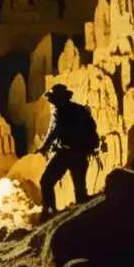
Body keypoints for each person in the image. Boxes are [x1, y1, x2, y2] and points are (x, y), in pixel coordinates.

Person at [37, 83, 98, 218]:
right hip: (81, 154)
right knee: (80, 190)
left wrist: (43, 149)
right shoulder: (80, 110)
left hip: (66, 153)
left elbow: (53, 131)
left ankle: (49, 211)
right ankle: (83, 219)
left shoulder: (59, 111)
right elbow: (92, 127)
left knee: (46, 181)